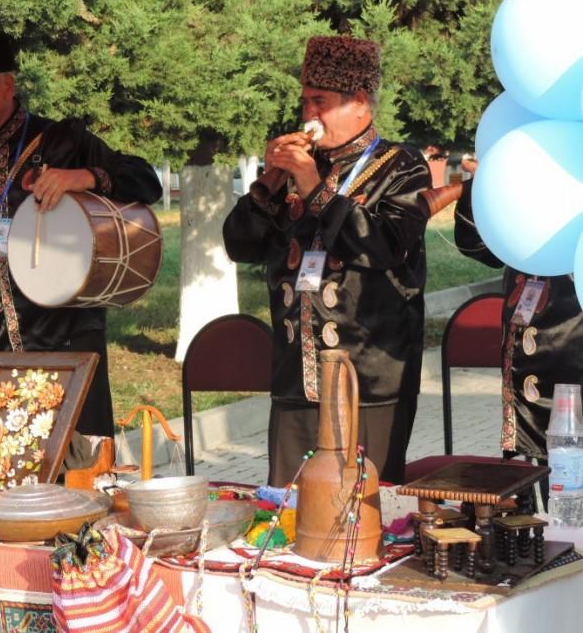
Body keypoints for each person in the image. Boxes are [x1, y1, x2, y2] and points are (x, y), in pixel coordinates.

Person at [0, 33, 161, 438]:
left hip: (67, 339)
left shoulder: (63, 142)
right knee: (5, 473)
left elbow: (146, 181)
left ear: (9, 85)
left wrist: (84, 176)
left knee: (77, 472)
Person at [223, 36, 432, 485]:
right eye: (304, 103)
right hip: (296, 377)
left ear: (359, 102)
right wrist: (269, 183)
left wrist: (315, 187)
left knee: (361, 515)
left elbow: (383, 245)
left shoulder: (402, 165)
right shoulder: (297, 169)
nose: (308, 115)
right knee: (290, 512)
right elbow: (239, 245)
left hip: (371, 380)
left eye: (320, 102)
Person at [454, 175, 583, 472]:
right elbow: (479, 245)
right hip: (539, 356)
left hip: (572, 335)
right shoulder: (523, 178)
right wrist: (484, 184)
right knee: (554, 478)